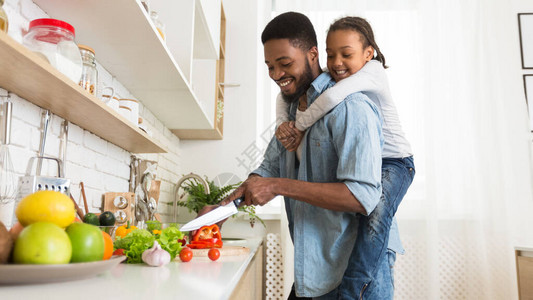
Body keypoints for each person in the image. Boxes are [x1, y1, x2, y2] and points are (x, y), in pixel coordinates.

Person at [210, 12, 394, 299]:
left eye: (285, 63)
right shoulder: (293, 111)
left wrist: (277, 186)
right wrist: (220, 210)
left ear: (312, 54)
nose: (276, 75)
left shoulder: (351, 107)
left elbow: (363, 197)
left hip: (355, 278)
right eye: (270, 66)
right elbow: (267, 170)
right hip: (314, 272)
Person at [273, 17, 415, 299]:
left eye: (346, 54)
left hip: (395, 162)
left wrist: (298, 127)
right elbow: (285, 97)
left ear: (368, 53)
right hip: (371, 162)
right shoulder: (339, 77)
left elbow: (328, 100)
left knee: (374, 214)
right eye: (330, 54)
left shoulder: (371, 74)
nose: (336, 62)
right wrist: (282, 122)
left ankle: (353, 288)